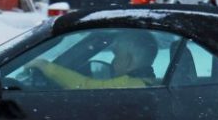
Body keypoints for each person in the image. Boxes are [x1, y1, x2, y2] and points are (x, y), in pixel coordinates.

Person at [28, 30, 159, 90]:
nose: (113, 61)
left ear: (129, 61)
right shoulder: (146, 83)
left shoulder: (131, 85)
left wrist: (44, 65)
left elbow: (85, 86)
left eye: (116, 54)